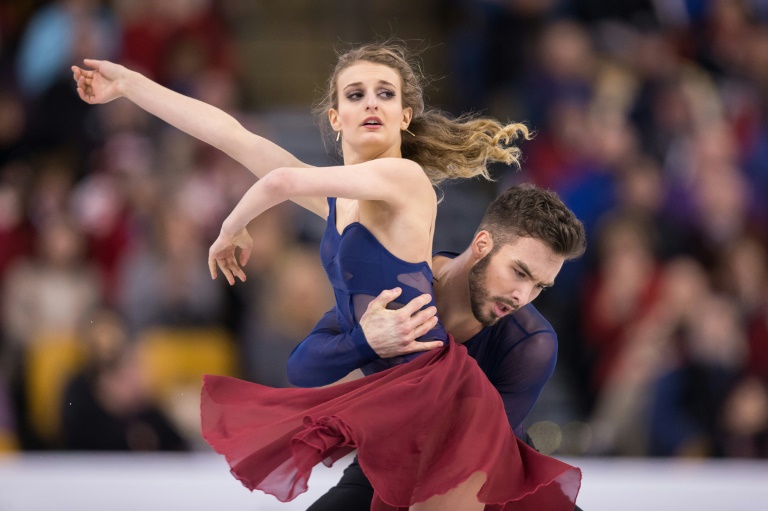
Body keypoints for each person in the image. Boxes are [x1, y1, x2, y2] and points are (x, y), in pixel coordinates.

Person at [72, 42, 581, 511]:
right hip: (400, 415)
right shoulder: (340, 202)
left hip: (446, 410)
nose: (372, 104)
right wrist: (131, 85)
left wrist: (232, 226)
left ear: (405, 117)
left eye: (386, 94)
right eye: (355, 95)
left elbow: (281, 179)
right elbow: (231, 136)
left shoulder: (405, 180)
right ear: (335, 117)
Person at [286, 184, 587, 510]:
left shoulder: (532, 343)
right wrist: (364, 341)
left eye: (539, 286)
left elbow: (469, 459)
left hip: (491, 480)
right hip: (395, 456)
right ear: (482, 244)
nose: (522, 296)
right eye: (519, 272)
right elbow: (302, 368)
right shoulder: (400, 287)